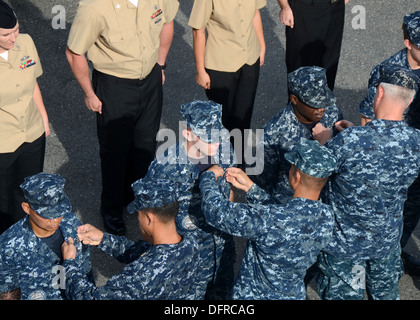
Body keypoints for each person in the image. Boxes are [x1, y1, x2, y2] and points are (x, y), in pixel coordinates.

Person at [66, 0, 180, 236]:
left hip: (150, 79)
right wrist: (89, 93)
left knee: (145, 145)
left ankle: (134, 197)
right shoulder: (95, 7)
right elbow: (74, 52)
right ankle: (111, 209)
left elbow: (167, 22)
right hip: (114, 84)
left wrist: (161, 64)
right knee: (114, 152)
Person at [317, 64, 420, 300]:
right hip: (386, 243)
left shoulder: (349, 142)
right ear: (411, 101)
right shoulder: (416, 141)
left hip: (346, 248)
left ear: (379, 93)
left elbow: (315, 174)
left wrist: (324, 141)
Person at [199, 139, 336, 299]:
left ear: (296, 176)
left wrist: (208, 176)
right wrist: (252, 189)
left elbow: (215, 211)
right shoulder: (327, 217)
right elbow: (284, 216)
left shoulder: (269, 219)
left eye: (292, 167)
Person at [144, 100, 236, 299]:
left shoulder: (224, 148)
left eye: (219, 135)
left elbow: (228, 187)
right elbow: (152, 221)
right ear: (188, 134)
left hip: (222, 249)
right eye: (209, 138)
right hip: (188, 260)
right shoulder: (164, 168)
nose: (217, 142)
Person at [61, 178, 199, 300]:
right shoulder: (190, 244)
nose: (138, 221)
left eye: (139, 215)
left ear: (149, 218)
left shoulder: (140, 276)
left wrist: (69, 264)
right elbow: (141, 252)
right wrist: (103, 239)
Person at [358, 11, 420, 274]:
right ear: (408, 43)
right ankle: (377, 264)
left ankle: (396, 253)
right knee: (390, 213)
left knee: (412, 211)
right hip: (396, 161)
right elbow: (367, 119)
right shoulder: (389, 72)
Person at [188, 0, 266, 165]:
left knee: (243, 115)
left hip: (249, 58)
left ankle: (239, 163)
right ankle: (221, 165)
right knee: (222, 120)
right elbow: (198, 31)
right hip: (220, 64)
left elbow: (256, 13)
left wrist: (261, 45)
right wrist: (200, 70)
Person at [252, 66, 343, 203]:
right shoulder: (271, 133)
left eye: (324, 101)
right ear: (294, 99)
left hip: (328, 198)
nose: (322, 108)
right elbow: (259, 183)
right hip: (292, 204)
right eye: (314, 104)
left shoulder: (332, 112)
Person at [0, 173, 92, 300]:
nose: (54, 219)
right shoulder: (7, 247)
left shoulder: (71, 223)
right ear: (27, 208)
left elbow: (85, 265)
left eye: (59, 211)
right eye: (47, 214)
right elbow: (7, 295)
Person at [0, 1, 50, 234]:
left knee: (29, 191)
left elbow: (33, 83)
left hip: (32, 133)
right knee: (3, 202)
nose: (14, 38)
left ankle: (27, 239)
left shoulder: (26, 42)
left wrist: (43, 118)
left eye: (16, 30)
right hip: (3, 143)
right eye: (6, 34)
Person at [277, 0, 349, 91]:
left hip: (336, 6)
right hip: (306, 8)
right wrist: (285, 7)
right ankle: (298, 104)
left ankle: (324, 103)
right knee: (302, 72)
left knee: (329, 66)